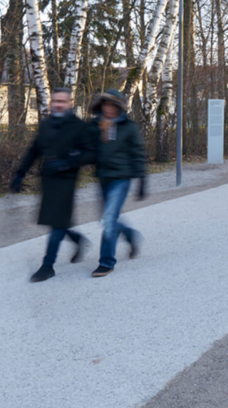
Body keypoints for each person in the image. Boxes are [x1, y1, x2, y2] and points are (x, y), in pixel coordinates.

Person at [10, 88, 95, 283]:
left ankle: (48, 266)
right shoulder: (46, 124)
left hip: (67, 180)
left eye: (62, 101)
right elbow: (34, 150)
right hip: (47, 178)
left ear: (69, 103)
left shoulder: (79, 126)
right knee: (53, 220)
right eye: (55, 101)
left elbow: (91, 153)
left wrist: (66, 163)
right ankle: (77, 239)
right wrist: (20, 174)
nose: (58, 104)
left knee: (57, 222)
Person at [87, 89, 146, 278]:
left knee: (109, 219)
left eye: (113, 105)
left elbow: (138, 154)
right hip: (103, 178)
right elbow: (86, 149)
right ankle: (130, 235)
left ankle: (106, 262)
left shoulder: (129, 127)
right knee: (109, 218)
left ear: (119, 107)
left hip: (122, 179)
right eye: (106, 104)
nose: (109, 108)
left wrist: (142, 181)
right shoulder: (95, 125)